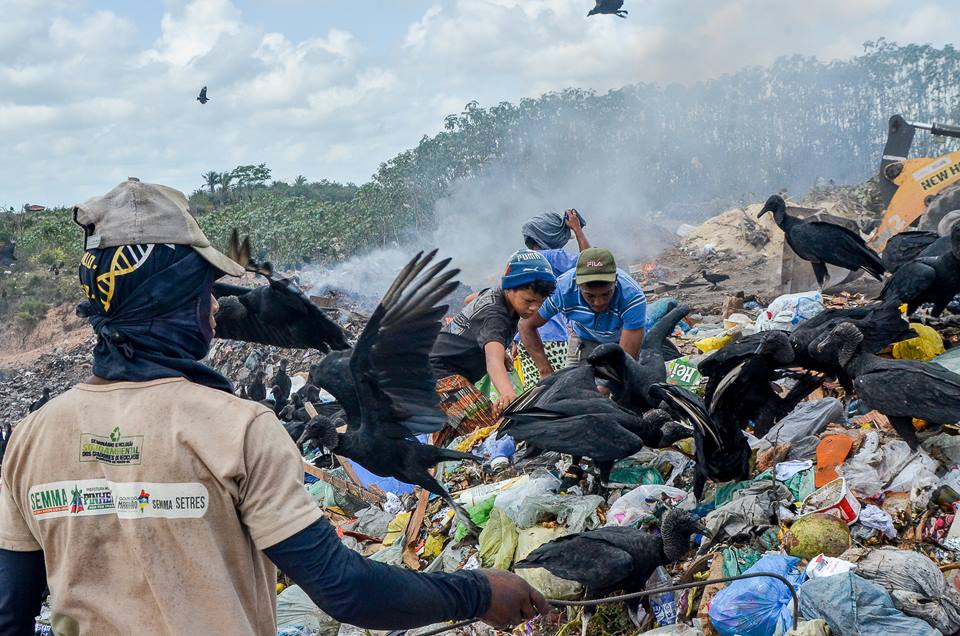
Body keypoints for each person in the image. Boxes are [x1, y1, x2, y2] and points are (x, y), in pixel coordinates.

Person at [0, 178, 549, 635]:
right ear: (176, 304)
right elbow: (347, 590)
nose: (216, 313)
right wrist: (475, 591)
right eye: (206, 296)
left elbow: (10, 614)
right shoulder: (235, 429)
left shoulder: (29, 438)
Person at [430, 249, 556, 437]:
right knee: (491, 432)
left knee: (451, 442)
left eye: (541, 302)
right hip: (442, 376)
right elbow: (493, 362)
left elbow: (469, 300)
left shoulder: (494, 295)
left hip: (436, 372)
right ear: (509, 288)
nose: (534, 308)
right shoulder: (496, 316)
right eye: (529, 301)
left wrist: (492, 345)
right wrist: (507, 394)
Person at [519, 247, 646, 377]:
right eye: (590, 296)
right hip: (584, 338)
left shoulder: (631, 296)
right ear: (577, 283)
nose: (598, 302)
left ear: (616, 280)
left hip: (622, 339)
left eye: (606, 294)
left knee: (625, 387)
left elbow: (623, 364)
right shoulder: (561, 291)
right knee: (569, 387)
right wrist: (546, 372)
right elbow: (526, 324)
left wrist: (604, 388)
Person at [514, 209, 590, 389]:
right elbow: (589, 263)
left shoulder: (520, 261)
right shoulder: (552, 256)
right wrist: (578, 230)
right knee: (563, 393)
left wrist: (514, 339)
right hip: (553, 339)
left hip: (525, 339)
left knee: (537, 393)